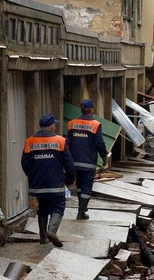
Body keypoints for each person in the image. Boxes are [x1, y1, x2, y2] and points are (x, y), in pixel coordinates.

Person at [21, 113, 75, 247]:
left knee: (43, 209)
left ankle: (43, 238)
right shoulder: (60, 141)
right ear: (51, 127)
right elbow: (69, 163)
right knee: (58, 207)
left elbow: (24, 163)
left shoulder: (30, 141)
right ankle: (52, 231)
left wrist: (33, 176)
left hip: (38, 185)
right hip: (55, 184)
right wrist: (70, 179)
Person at [67, 99, 109, 219]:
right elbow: (99, 143)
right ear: (91, 110)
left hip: (74, 162)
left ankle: (82, 208)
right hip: (88, 163)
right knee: (86, 187)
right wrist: (104, 157)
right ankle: (81, 211)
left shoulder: (72, 123)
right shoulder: (95, 124)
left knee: (79, 186)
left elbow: (67, 144)